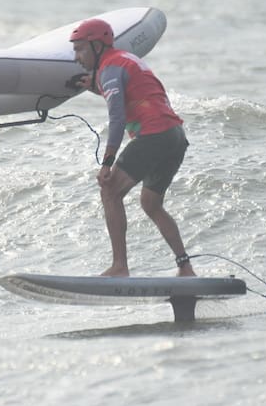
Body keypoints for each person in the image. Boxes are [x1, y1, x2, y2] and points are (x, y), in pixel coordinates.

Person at [69, 18, 195, 277]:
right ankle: (185, 267)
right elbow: (133, 90)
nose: (76, 57)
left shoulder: (110, 68)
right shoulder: (124, 60)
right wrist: (96, 86)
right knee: (151, 203)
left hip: (153, 135)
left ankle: (119, 266)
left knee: (110, 191)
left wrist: (107, 162)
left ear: (97, 46)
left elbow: (117, 118)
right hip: (174, 135)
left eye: (80, 49)